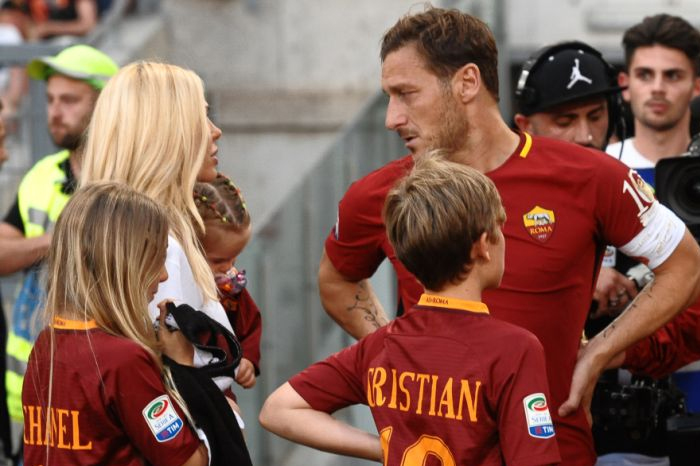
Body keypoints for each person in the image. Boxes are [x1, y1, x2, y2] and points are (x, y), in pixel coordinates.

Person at [317, 7, 700, 466]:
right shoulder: (380, 193)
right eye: (389, 97)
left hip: (556, 451)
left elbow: (685, 263)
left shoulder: (592, 176)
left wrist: (600, 351)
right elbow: (336, 280)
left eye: (406, 94)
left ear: (467, 82)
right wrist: (395, 352)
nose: (392, 117)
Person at [262, 153, 561, 466]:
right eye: (501, 229)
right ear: (484, 244)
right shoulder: (514, 350)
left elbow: (278, 409)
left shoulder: (380, 345)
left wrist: (386, 448)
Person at [79, 62, 244, 412]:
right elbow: (162, 386)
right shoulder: (158, 246)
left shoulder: (113, 235)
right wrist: (222, 415)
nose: (215, 131)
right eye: (201, 117)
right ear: (164, 134)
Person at [22, 181, 208, 466]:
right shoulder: (124, 360)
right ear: (124, 265)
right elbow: (189, 461)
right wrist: (185, 367)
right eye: (157, 259)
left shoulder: (46, 344)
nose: (164, 276)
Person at [0, 44, 117, 430]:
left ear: (105, 106)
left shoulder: (128, 183)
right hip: (32, 399)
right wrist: (58, 240)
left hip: (104, 398)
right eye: (50, 99)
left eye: (69, 100)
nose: (54, 111)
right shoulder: (41, 174)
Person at [512, 40, 639, 317]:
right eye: (565, 121)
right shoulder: (495, 196)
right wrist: (581, 277)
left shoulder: (631, 189)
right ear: (525, 126)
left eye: (595, 116)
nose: (585, 135)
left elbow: (682, 271)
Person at [194, 173, 262, 390]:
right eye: (218, 260)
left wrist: (248, 359)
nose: (228, 267)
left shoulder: (229, 287)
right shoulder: (170, 283)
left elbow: (249, 323)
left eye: (234, 258)